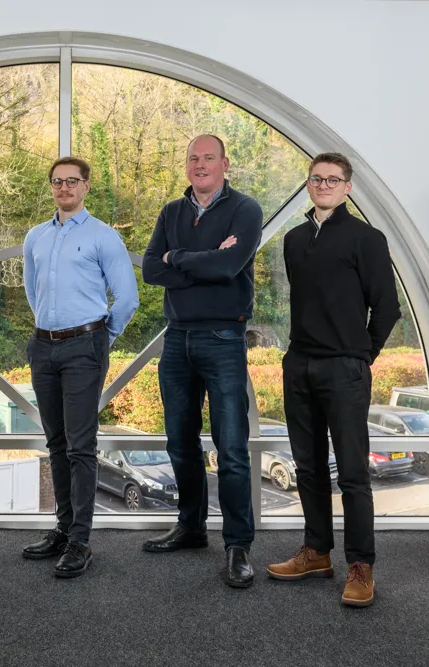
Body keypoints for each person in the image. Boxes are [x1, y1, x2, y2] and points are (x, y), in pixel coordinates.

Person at [267, 152, 400, 608]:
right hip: (299, 366)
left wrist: (362, 357)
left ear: (347, 188)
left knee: (354, 474)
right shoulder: (295, 240)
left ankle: (361, 565)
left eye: (333, 179)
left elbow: (387, 309)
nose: (324, 185)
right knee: (307, 468)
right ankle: (317, 552)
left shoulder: (367, 238)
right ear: (308, 184)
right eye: (317, 178)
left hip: (344, 369)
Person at [141, 135, 263, 588]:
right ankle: (191, 528)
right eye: (193, 158)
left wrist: (182, 258)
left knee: (231, 448)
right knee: (180, 442)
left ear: (224, 164)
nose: (200, 165)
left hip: (223, 338)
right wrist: (202, 260)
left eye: (208, 158)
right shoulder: (172, 211)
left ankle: (238, 546)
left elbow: (229, 267)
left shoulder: (245, 209)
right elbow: (152, 269)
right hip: (176, 341)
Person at [19, 157, 138, 578]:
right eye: (57, 181)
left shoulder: (103, 237)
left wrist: (101, 339)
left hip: (85, 346)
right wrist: (48, 330)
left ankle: (81, 541)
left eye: (72, 181)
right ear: (50, 186)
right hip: (44, 346)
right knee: (55, 443)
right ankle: (63, 527)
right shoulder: (35, 236)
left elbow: (126, 297)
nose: (64, 187)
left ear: (86, 186)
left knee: (80, 447)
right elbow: (32, 290)